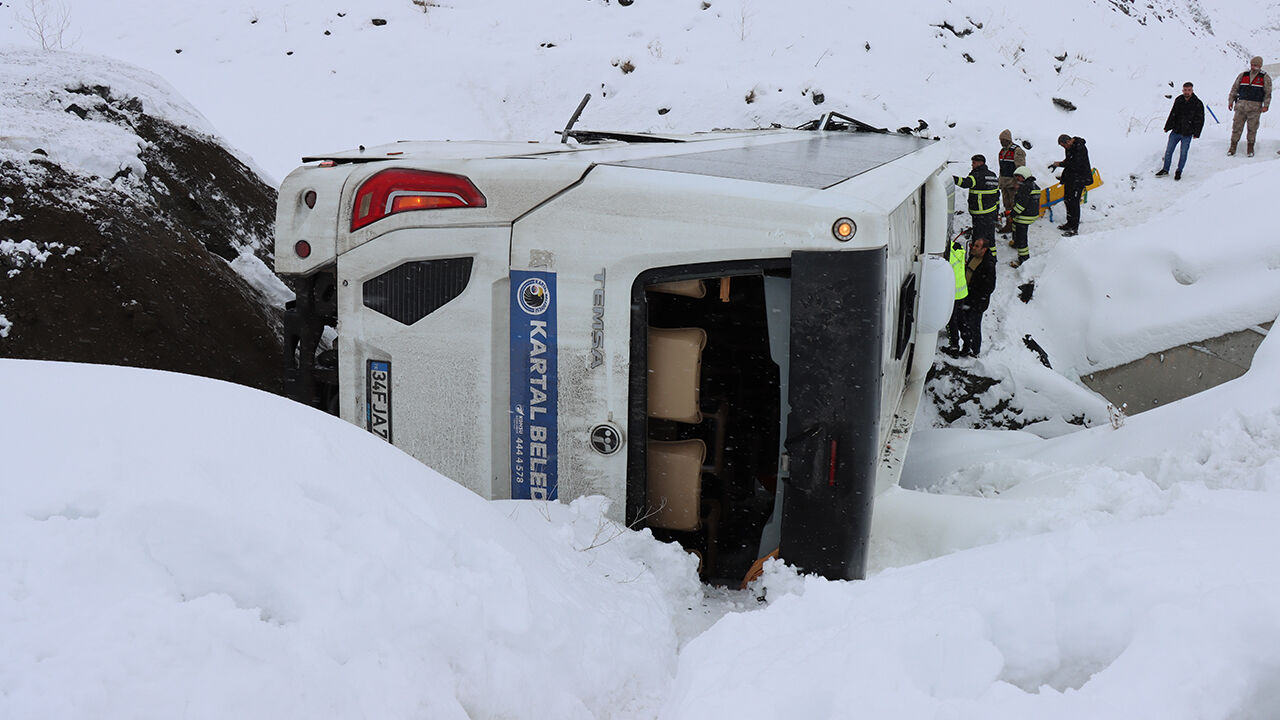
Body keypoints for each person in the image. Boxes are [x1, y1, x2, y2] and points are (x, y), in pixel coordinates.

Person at [956, 235, 996, 357]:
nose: (973, 247)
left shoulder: (988, 265)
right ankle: (967, 347)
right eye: (974, 245)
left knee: (973, 327)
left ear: (984, 249)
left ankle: (974, 351)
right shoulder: (974, 256)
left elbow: (989, 287)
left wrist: (975, 297)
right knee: (964, 323)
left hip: (976, 303)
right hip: (967, 298)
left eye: (977, 246)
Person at [1157, 82, 1205, 180]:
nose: (1187, 92)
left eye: (1189, 90)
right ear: (1182, 90)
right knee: (1168, 151)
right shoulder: (1179, 100)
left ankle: (1179, 171)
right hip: (1176, 131)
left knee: (1183, 153)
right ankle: (1165, 169)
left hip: (1187, 133)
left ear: (1192, 90)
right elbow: (1173, 114)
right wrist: (1167, 126)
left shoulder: (1197, 103)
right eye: (1185, 90)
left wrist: (1196, 133)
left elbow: (1200, 120)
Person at [1048, 134, 1090, 237]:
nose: (1064, 148)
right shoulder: (1070, 148)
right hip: (1071, 178)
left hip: (1079, 179)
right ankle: (1069, 223)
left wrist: (1061, 164)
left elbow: (1074, 163)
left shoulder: (1079, 147)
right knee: (1067, 199)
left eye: (1063, 146)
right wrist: (1057, 164)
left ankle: (1074, 228)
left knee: (1074, 203)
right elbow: (1068, 160)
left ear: (1068, 142)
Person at [1228, 56, 1271, 157]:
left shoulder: (1264, 77)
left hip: (1255, 108)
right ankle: (1233, 147)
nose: (1253, 67)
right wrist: (1231, 101)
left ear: (1260, 66)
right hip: (1241, 107)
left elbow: (1268, 93)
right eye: (1252, 64)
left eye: (1255, 65)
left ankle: (1250, 148)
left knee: (1252, 129)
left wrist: (1266, 105)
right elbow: (1234, 88)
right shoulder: (1243, 75)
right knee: (1236, 128)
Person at [954, 154, 1000, 244]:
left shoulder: (977, 175)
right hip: (991, 213)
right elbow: (997, 194)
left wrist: (951, 178)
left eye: (974, 163)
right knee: (989, 238)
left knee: (978, 238)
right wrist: (996, 212)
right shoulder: (992, 175)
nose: (972, 165)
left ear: (980, 163)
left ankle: (977, 256)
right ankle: (992, 256)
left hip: (980, 214)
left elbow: (965, 183)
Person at [1007, 166, 1039, 268]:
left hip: (1024, 216)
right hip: (1032, 214)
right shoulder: (1035, 186)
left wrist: (1012, 214)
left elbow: (1021, 205)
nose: (1017, 179)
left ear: (1024, 176)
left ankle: (1024, 259)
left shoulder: (1025, 187)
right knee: (1015, 226)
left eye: (1018, 177)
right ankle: (1015, 242)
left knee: (1022, 238)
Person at [996, 130, 1027, 234]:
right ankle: (1009, 224)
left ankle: (1016, 226)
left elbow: (1021, 168)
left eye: (1003, 140)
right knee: (1007, 205)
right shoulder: (1002, 151)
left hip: (1013, 184)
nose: (1001, 142)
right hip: (1004, 183)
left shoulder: (1017, 151)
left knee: (1015, 206)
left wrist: (1019, 183)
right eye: (1000, 140)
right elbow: (1002, 168)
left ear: (1008, 139)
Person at [944, 230, 969, 356]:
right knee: (961, 318)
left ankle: (954, 347)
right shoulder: (958, 250)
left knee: (951, 320)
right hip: (962, 291)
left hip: (952, 293)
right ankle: (967, 344)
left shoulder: (948, 256)